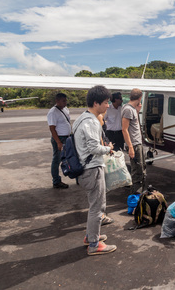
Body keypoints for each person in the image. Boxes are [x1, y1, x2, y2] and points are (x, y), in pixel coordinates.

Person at [74, 85, 117, 256]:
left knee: (95, 205)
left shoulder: (81, 118)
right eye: (106, 103)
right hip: (92, 169)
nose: (108, 106)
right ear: (96, 103)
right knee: (97, 207)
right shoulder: (91, 121)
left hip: (85, 168)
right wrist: (108, 148)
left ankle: (91, 236)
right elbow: (93, 147)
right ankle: (93, 244)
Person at [122, 88, 146, 194]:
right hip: (135, 144)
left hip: (137, 143)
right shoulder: (128, 109)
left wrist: (138, 110)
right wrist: (130, 147)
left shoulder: (132, 109)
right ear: (140, 97)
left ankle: (139, 196)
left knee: (141, 169)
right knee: (137, 172)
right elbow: (124, 129)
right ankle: (136, 199)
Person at [47, 93, 71, 189]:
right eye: (63, 101)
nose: (65, 103)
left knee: (70, 157)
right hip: (59, 138)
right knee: (57, 160)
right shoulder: (53, 112)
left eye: (65, 100)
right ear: (57, 101)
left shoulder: (65, 109)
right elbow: (52, 128)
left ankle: (76, 176)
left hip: (66, 137)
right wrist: (58, 142)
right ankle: (56, 181)